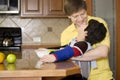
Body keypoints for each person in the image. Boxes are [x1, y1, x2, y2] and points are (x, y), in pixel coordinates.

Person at [60, 0, 113, 80]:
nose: (80, 19)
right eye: (75, 16)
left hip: (102, 77)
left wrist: (71, 55)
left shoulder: (98, 23)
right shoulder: (65, 34)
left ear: (86, 10)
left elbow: (103, 52)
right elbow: (67, 61)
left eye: (83, 14)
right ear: (69, 16)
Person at [40, 19, 107, 63]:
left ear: (85, 33)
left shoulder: (84, 45)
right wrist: (47, 50)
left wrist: (55, 56)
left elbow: (70, 51)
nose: (82, 22)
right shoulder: (78, 42)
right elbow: (64, 48)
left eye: (85, 24)